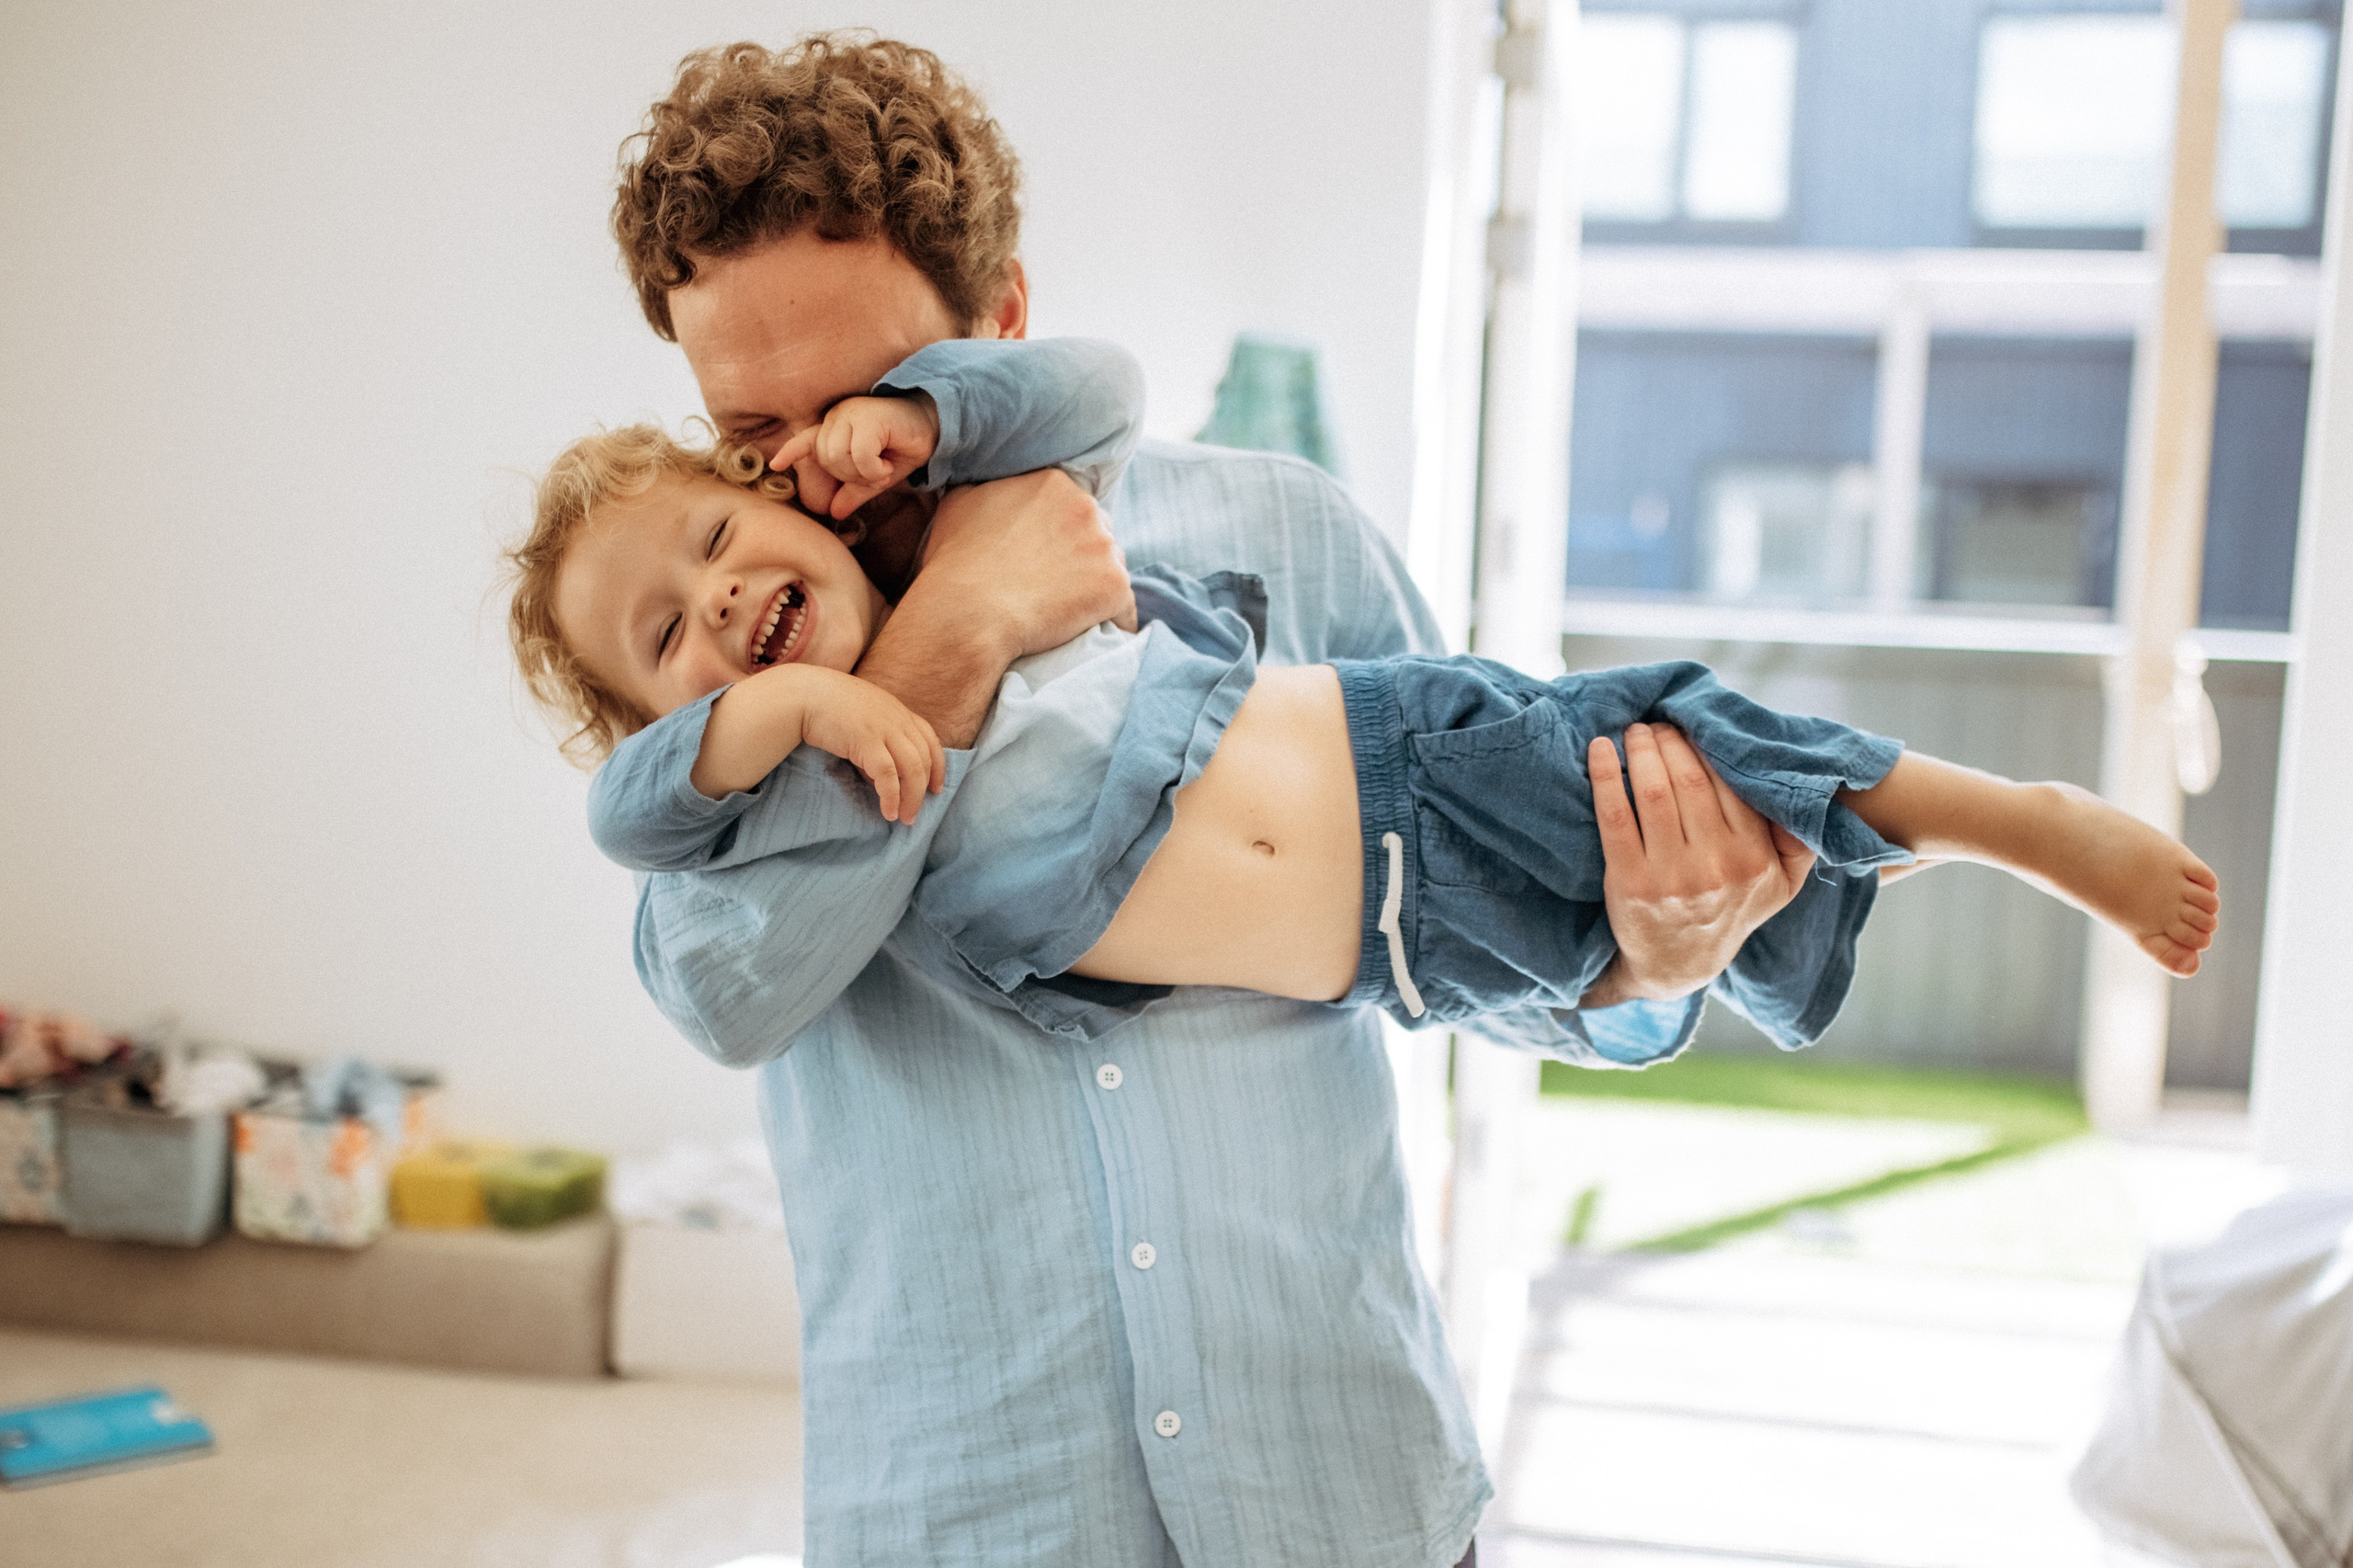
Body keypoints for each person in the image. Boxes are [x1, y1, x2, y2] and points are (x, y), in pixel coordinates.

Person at [569, 33, 1863, 1568]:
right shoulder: (729, 697)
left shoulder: (1282, 529)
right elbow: (724, 980)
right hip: (974, 1518)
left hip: (1343, 1489)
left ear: (1003, 320)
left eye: (858, 400)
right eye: (751, 437)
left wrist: (1649, 960)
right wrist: (956, 631)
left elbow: (1475, 911)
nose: (810, 485)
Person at [512, 336, 2217, 1063]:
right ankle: (1886, 856)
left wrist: (931, 420)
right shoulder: (767, 823)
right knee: (1741, 838)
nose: (724, 594)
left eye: (735, 522)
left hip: (1407, 765)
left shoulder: (1094, 511)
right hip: (1407, 951)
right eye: (667, 634)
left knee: (1704, 758)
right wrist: (807, 707)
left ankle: (2014, 824)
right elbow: (633, 819)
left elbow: (1091, 385)